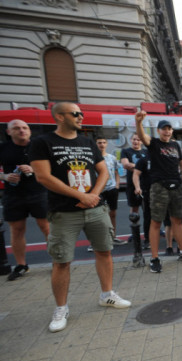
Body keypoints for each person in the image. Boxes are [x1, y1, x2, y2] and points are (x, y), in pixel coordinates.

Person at [29, 102, 131, 333]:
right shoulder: (43, 143)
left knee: (104, 251)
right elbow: (43, 177)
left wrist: (93, 195)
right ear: (59, 117)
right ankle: (61, 308)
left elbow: (103, 171)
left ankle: (107, 294)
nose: (80, 117)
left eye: (81, 113)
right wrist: (79, 196)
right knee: (62, 260)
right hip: (64, 212)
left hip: (95, 208)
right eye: (75, 114)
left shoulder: (86, 142)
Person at [134, 111, 182, 273]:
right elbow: (143, 137)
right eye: (164, 129)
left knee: (177, 221)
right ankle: (154, 258)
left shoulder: (175, 145)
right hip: (159, 187)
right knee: (156, 222)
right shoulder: (154, 143)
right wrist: (139, 123)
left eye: (169, 129)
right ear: (159, 131)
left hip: (176, 186)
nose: (167, 131)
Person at [0, 119, 50, 281]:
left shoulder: (39, 146)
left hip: (39, 192)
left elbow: (53, 167)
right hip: (13, 194)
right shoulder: (4, 148)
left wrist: (34, 169)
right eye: (16, 128)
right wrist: (5, 176)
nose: (21, 130)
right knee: (17, 230)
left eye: (25, 127)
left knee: (47, 227)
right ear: (9, 132)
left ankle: (58, 261)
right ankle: (21, 265)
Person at [94, 136, 126, 249]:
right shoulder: (93, 158)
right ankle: (97, 241)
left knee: (113, 214)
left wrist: (117, 185)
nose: (102, 144)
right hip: (99, 190)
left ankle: (113, 237)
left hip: (112, 189)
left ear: (107, 144)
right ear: (96, 144)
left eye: (104, 142)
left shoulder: (112, 158)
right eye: (99, 142)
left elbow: (117, 172)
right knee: (98, 216)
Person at [120, 134, 149, 246]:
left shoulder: (147, 152)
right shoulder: (126, 151)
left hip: (146, 184)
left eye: (138, 139)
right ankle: (135, 231)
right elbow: (126, 164)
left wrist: (136, 167)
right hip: (132, 185)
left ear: (141, 141)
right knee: (134, 208)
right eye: (134, 139)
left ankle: (149, 231)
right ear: (130, 140)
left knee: (148, 210)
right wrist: (142, 166)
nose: (136, 141)